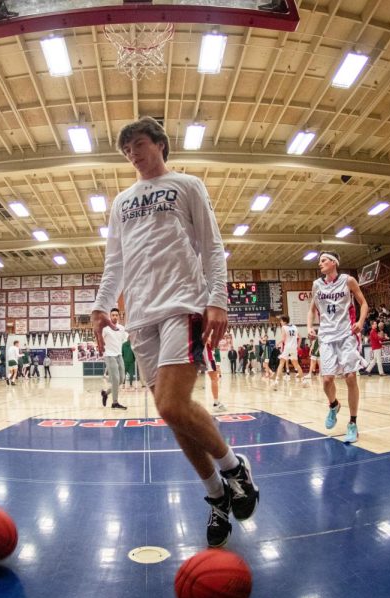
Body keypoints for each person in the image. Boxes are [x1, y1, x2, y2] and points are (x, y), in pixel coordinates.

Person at [92, 116, 258, 548]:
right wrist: (99, 306)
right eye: (127, 149)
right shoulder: (121, 201)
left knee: (171, 402)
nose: (133, 153)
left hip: (183, 305)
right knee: (170, 413)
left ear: (161, 145)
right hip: (140, 318)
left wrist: (218, 299)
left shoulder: (187, 185)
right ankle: (217, 496)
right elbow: (116, 263)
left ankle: (235, 467)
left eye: (140, 143)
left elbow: (212, 245)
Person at [307, 251, 369, 444]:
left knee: (350, 377)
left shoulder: (348, 280)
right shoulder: (317, 285)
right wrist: (309, 327)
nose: (320, 264)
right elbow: (311, 310)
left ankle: (352, 423)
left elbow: (363, 303)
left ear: (334, 262)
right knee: (327, 380)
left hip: (346, 334)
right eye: (319, 261)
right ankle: (333, 405)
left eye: (323, 260)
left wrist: (360, 321)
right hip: (326, 336)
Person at [100, 307, 128, 410]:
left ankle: (105, 393)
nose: (115, 317)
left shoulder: (121, 328)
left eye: (116, 315)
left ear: (118, 316)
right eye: (113, 315)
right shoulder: (105, 328)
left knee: (121, 379)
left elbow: (124, 339)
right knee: (115, 379)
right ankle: (115, 403)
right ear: (110, 316)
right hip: (109, 355)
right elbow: (99, 340)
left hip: (119, 355)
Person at [272, 315, 304, 390]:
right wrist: (298, 346)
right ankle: (303, 381)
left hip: (288, 347)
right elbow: (300, 337)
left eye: (281, 321)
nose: (280, 322)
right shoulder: (294, 327)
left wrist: (277, 343)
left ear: (284, 321)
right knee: (296, 364)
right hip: (294, 347)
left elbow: (283, 339)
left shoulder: (284, 327)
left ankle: (276, 382)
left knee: (281, 363)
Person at [204, 343, 226, 412]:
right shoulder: (205, 333)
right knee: (214, 379)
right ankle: (216, 404)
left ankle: (216, 403)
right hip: (208, 356)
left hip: (204, 356)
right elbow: (210, 341)